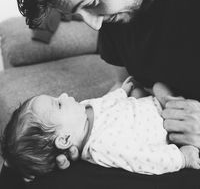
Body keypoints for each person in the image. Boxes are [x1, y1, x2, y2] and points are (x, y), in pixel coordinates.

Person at [2, 0, 200, 189]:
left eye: (92, 1)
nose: (94, 23)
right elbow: (128, 85)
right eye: (78, 12)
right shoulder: (115, 17)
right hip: (151, 147)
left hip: (185, 156)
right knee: (17, 175)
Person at [1, 78, 200, 182]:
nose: (63, 94)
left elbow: (105, 102)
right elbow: (144, 159)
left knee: (154, 86)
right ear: (64, 139)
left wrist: (122, 92)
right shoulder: (101, 147)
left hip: (151, 105)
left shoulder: (83, 110)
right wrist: (181, 158)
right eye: (58, 104)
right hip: (166, 128)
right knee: (160, 88)